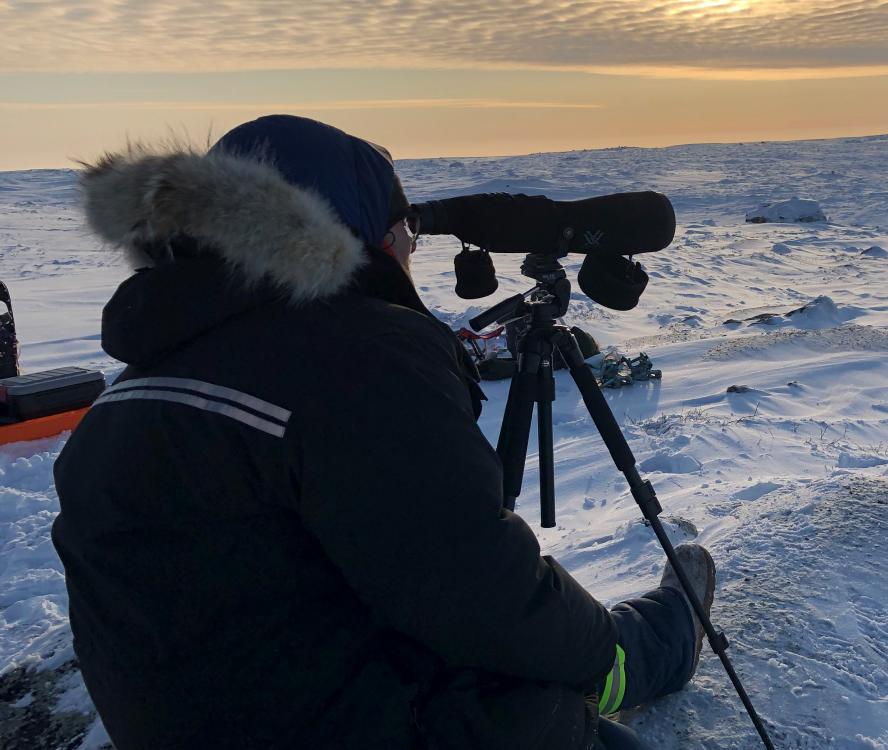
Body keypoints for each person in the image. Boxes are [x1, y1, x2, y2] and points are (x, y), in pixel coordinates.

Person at [51, 114, 714, 749]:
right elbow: (482, 600)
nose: (409, 250)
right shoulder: (356, 355)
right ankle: (654, 648)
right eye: (404, 232)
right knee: (539, 690)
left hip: (203, 718)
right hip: (351, 727)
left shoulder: (138, 381)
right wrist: (609, 652)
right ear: (360, 236)